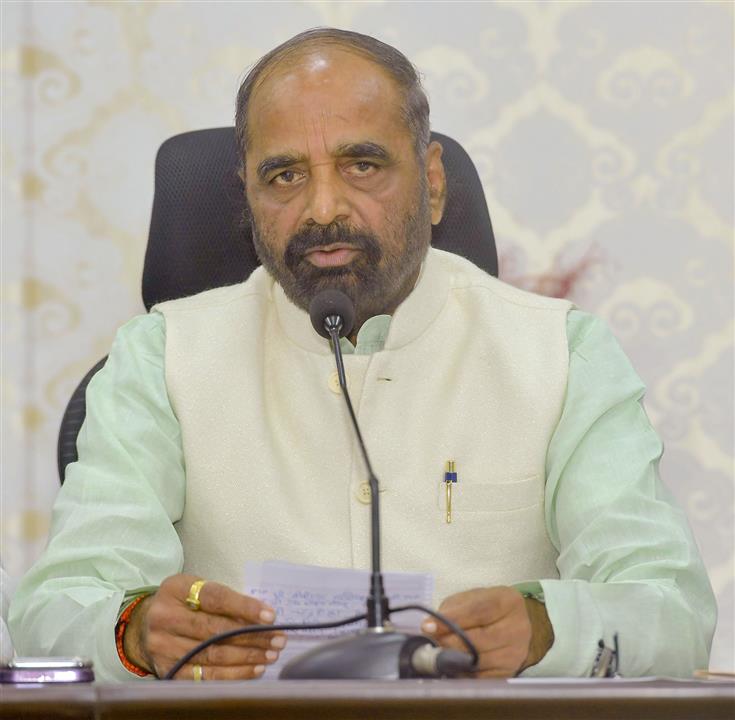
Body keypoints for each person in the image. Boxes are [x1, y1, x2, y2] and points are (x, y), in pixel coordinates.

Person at [9, 28, 715, 682]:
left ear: (432, 182)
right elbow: (55, 611)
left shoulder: (560, 353)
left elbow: (670, 612)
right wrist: (132, 632)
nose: (323, 208)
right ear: (248, 196)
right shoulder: (160, 359)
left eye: (362, 164)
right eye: (284, 176)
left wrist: (543, 629)